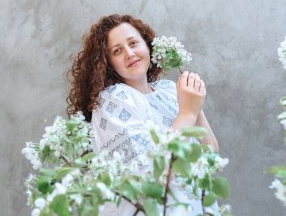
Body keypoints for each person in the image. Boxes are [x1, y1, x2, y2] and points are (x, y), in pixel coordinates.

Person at [67, 14, 220, 215]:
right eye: (117, 50)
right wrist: (188, 112)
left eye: (133, 43)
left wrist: (195, 103)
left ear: (147, 46)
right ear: (108, 63)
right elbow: (153, 174)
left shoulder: (169, 90)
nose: (130, 53)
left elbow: (211, 157)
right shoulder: (114, 101)